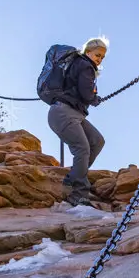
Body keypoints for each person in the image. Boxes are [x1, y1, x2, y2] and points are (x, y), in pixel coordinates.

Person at [47, 36, 108, 206]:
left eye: (102, 57)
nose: (99, 59)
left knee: (97, 141)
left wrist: (92, 97)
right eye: (97, 54)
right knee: (82, 148)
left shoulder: (79, 65)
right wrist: (94, 98)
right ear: (88, 52)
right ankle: (79, 194)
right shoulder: (85, 66)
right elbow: (86, 94)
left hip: (71, 113)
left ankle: (72, 178)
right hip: (64, 113)